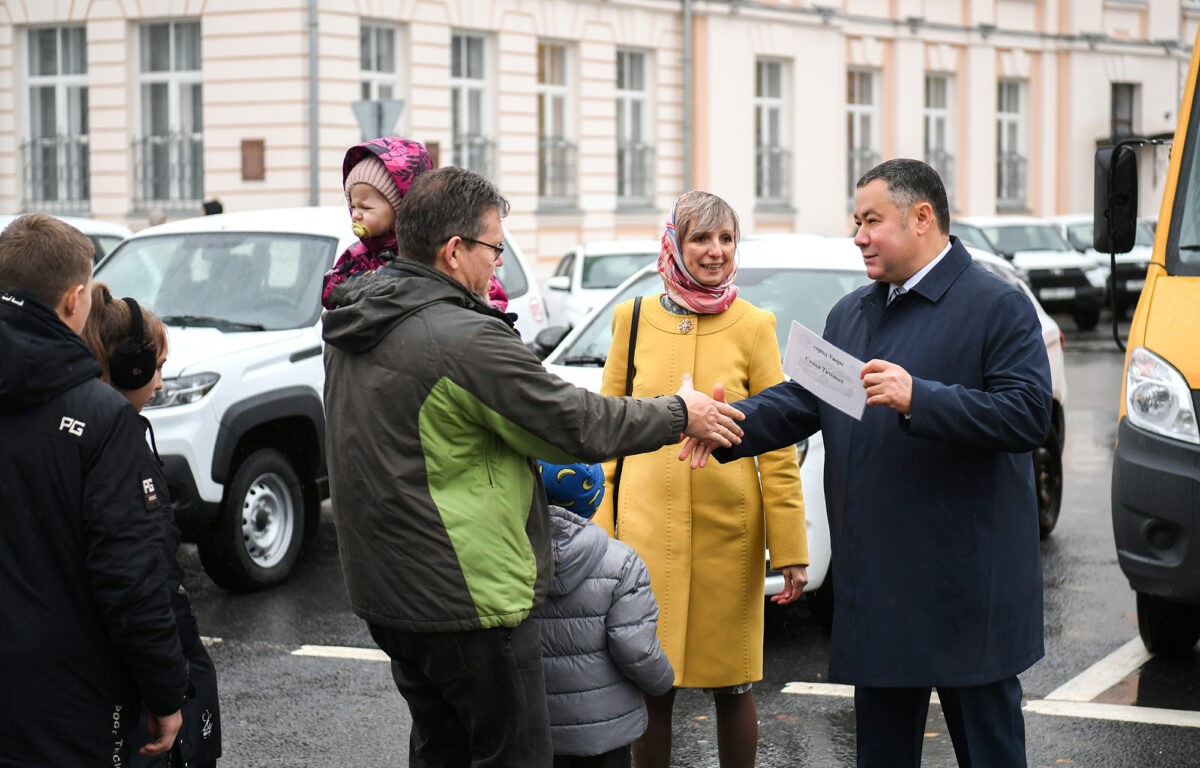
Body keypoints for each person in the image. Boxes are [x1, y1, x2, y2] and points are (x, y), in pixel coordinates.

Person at [321, 165, 745, 768]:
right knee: (512, 755)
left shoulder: (356, 315)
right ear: (453, 250)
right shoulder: (461, 335)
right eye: (494, 248)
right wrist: (681, 413)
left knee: (441, 751)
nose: (498, 264)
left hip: (385, 590)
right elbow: (574, 425)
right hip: (466, 598)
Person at [695, 159, 1053, 767]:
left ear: (922, 218)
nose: (858, 236)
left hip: (968, 593)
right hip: (881, 593)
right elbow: (802, 401)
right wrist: (719, 424)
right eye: (855, 222)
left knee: (989, 753)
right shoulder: (852, 313)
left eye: (871, 221)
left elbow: (1026, 416)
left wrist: (923, 398)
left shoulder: (997, 305)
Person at [594, 190, 809, 768]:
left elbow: (778, 445)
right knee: (650, 684)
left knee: (734, 684)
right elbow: (606, 433)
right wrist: (597, 531)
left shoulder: (756, 325)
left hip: (729, 533)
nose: (715, 251)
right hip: (640, 532)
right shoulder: (631, 318)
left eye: (726, 238)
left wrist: (789, 548)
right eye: (700, 238)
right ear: (674, 242)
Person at [0, 213, 188, 764]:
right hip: (66, 694)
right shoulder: (100, 416)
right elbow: (129, 575)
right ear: (74, 301)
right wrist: (164, 690)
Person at [82, 284, 223, 768]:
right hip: (139, 680)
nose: (161, 383)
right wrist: (168, 691)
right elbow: (140, 583)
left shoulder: (109, 431)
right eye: (158, 368)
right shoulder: (115, 444)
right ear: (130, 367)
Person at [532, 460, 674, 768]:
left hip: (534, 726)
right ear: (595, 499)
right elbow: (635, 647)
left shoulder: (512, 557)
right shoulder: (621, 563)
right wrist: (664, 680)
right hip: (605, 731)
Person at [320, 136, 433, 309]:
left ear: (399, 207)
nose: (356, 215)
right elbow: (330, 292)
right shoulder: (357, 256)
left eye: (365, 208)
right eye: (353, 206)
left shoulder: (427, 253)